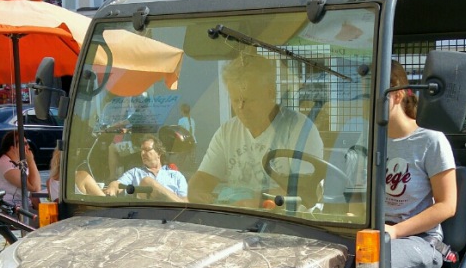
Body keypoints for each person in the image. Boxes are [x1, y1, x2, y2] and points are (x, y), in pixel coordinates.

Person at [188, 53, 323, 205]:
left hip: (290, 223)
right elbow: (203, 179)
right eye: (235, 100)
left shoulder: (300, 129)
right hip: (238, 222)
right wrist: (196, 192)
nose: (241, 108)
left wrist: (256, 201)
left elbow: (306, 191)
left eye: (249, 100)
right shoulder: (227, 132)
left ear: (270, 93)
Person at [383, 59, 457, 268]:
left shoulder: (430, 140)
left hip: (420, 240)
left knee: (371, 257)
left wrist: (395, 231)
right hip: (375, 234)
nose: (365, 103)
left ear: (396, 96)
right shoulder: (369, 139)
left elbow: (447, 205)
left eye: (372, 95)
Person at [109, 135, 187, 202]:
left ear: (159, 153)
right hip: (145, 214)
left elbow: (186, 199)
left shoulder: (176, 175)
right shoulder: (134, 173)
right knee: (146, 181)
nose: (142, 153)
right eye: (141, 150)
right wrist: (112, 186)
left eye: (147, 150)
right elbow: (118, 184)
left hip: (172, 214)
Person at [0, 132, 41, 208]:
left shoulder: (13, 162)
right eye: (25, 144)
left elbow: (34, 185)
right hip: (10, 210)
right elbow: (35, 187)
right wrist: (31, 161)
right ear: (13, 147)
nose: (28, 147)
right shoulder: (6, 165)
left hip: (16, 206)